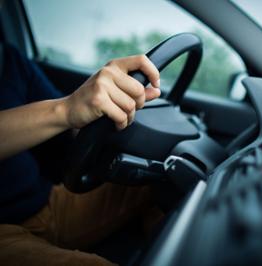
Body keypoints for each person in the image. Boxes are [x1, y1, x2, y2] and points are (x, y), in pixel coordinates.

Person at [0, 42, 163, 265]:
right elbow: (64, 111)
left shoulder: (8, 58)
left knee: (159, 180)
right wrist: (66, 109)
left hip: (47, 202)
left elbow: (68, 126)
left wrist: (103, 103)